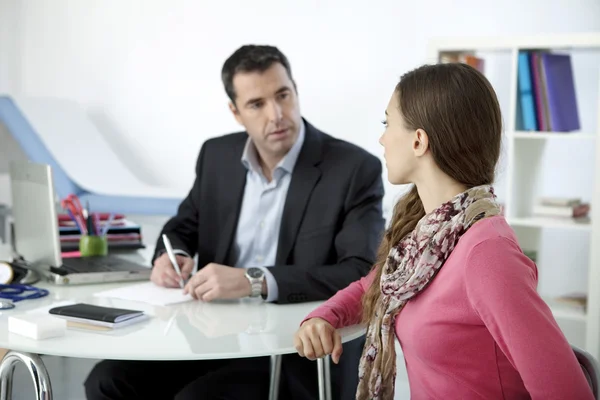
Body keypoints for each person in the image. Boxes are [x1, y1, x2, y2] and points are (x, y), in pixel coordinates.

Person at [84, 45, 385, 400]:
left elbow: (361, 271)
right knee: (106, 380)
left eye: (283, 95)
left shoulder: (352, 169)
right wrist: (172, 256)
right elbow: (181, 226)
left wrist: (252, 281)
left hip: (294, 348)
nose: (276, 115)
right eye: (256, 104)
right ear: (236, 112)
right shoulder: (217, 156)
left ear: (296, 91)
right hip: (210, 334)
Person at [293, 63, 595, 400]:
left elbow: (567, 391)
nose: (381, 137)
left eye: (387, 123)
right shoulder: (427, 235)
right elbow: (374, 286)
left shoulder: (487, 253)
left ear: (419, 140)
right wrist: (322, 317)